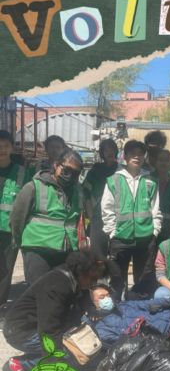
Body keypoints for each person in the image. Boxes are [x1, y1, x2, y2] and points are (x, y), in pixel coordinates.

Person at [2, 250, 116, 371]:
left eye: (97, 279)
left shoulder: (75, 281)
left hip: (40, 326)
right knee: (76, 351)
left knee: (89, 341)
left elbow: (75, 312)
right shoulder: (56, 285)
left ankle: (36, 357)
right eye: (91, 278)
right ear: (80, 271)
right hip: (21, 331)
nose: (93, 283)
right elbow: (49, 329)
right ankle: (20, 364)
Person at [10, 148, 84, 287]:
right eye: (67, 170)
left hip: (66, 251)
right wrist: (23, 243)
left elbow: (74, 222)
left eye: (75, 173)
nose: (70, 176)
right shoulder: (33, 187)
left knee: (61, 293)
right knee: (40, 292)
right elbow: (17, 219)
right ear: (56, 165)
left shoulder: (78, 193)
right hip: (38, 249)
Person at [101, 140, 162, 300]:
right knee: (117, 279)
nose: (137, 157)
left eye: (141, 154)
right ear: (125, 156)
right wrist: (112, 232)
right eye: (133, 153)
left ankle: (139, 312)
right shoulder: (113, 180)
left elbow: (156, 209)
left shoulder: (150, 181)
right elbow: (106, 209)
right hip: (120, 238)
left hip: (145, 238)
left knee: (143, 280)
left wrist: (154, 231)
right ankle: (115, 311)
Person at [0, 130, 32, 307]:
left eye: (6, 146)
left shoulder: (23, 173)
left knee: (5, 269)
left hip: (10, 228)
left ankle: (1, 304)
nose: (2, 150)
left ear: (13, 148)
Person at [82, 138, 119, 257]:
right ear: (102, 153)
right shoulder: (94, 171)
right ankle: (99, 276)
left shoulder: (121, 171)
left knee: (117, 254)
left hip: (118, 217)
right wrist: (92, 217)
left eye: (112, 149)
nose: (109, 152)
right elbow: (86, 194)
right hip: (98, 218)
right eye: (106, 150)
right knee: (97, 255)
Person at [153, 149, 170, 243]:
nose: (163, 163)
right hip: (148, 229)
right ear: (155, 162)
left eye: (167, 160)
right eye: (160, 160)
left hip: (167, 232)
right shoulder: (148, 182)